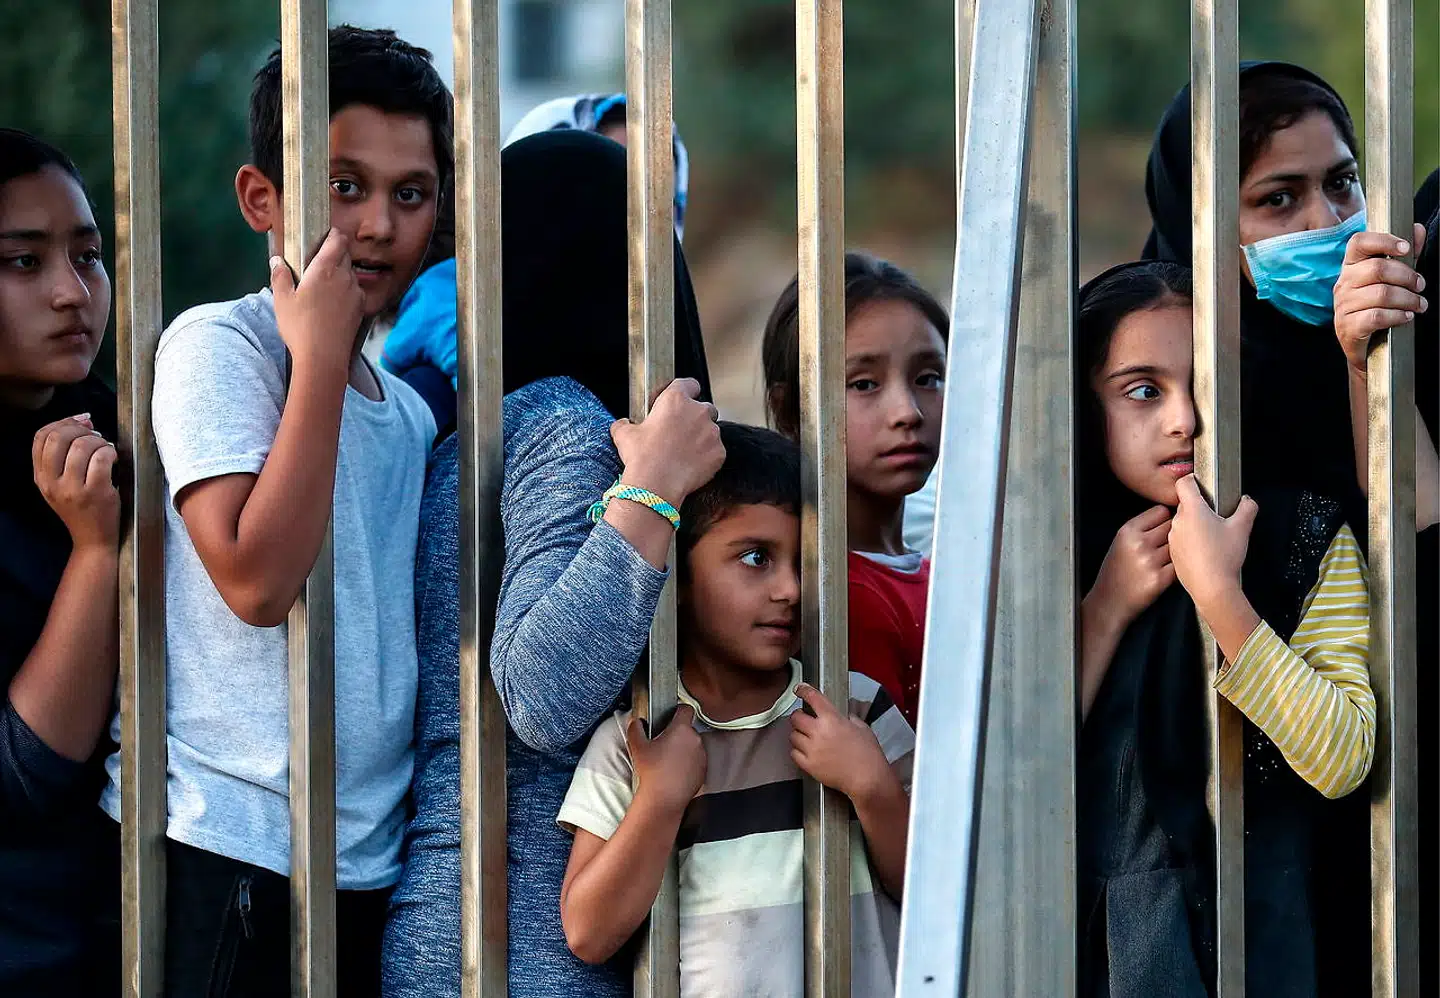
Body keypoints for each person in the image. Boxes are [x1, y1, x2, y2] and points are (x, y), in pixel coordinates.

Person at [96, 27, 446, 997]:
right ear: (264, 198)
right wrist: (322, 358)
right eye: (343, 185)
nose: (376, 223)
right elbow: (255, 577)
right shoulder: (219, 347)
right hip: (226, 840)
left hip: (363, 860)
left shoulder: (410, 413)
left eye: (408, 193)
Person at [381, 129, 722, 998]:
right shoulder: (562, 424)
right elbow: (536, 694)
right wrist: (652, 489)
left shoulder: (482, 436)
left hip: (469, 920)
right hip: (522, 936)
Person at [1075, 261, 1376, 998]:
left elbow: (1343, 758)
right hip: (1091, 941)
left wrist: (1220, 596)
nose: (1184, 419)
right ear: (1085, 406)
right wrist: (1106, 606)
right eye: (1143, 391)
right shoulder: (1052, 545)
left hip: (1263, 940)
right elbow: (1008, 773)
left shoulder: (1304, 533)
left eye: (1205, 380)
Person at [557, 422, 913, 996]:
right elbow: (588, 933)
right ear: (677, 576)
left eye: (804, 561)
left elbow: (937, 893)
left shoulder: (856, 711)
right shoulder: (639, 741)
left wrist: (873, 788)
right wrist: (660, 798)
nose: (791, 589)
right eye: (755, 558)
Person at [0, 129, 120, 997]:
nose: (71, 293)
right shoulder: (91, 496)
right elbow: (25, 773)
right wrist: (93, 552)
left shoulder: (118, 433)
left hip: (130, 933)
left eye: (87, 254)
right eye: (21, 260)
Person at [761, 252, 948, 725]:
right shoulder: (808, 597)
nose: (907, 411)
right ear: (788, 410)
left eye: (929, 378)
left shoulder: (947, 575)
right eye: (863, 383)